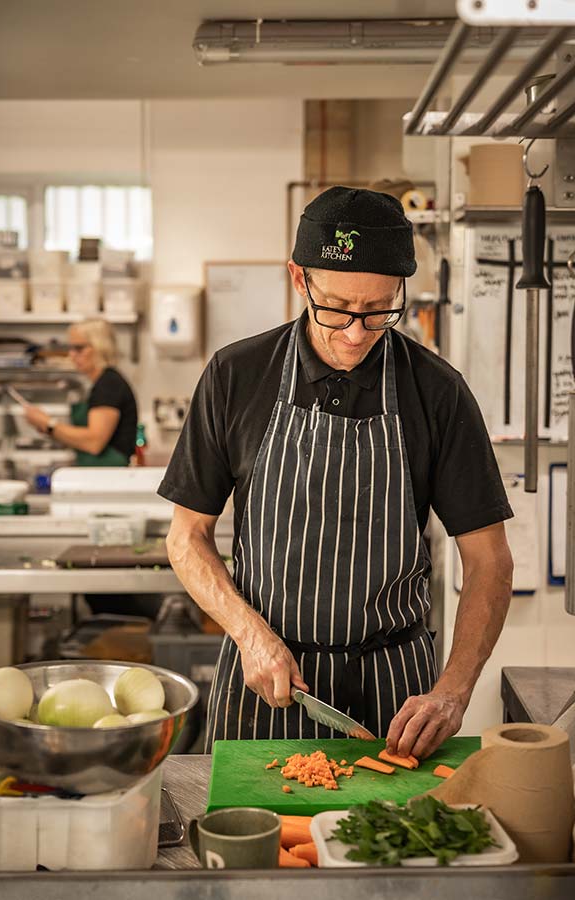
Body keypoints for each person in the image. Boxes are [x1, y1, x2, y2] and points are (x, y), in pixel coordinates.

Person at [160, 187, 514, 758]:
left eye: (378, 311)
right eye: (338, 309)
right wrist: (250, 635)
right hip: (269, 680)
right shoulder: (235, 375)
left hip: (396, 691)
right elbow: (186, 537)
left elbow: (489, 560)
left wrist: (453, 690)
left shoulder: (438, 392)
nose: (355, 333)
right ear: (299, 279)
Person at [24, 318, 138, 466]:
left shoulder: (109, 384)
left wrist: (48, 423)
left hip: (110, 475)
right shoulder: (101, 383)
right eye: (70, 348)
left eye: (78, 348)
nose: (71, 355)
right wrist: (50, 430)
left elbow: (94, 442)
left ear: (100, 347)